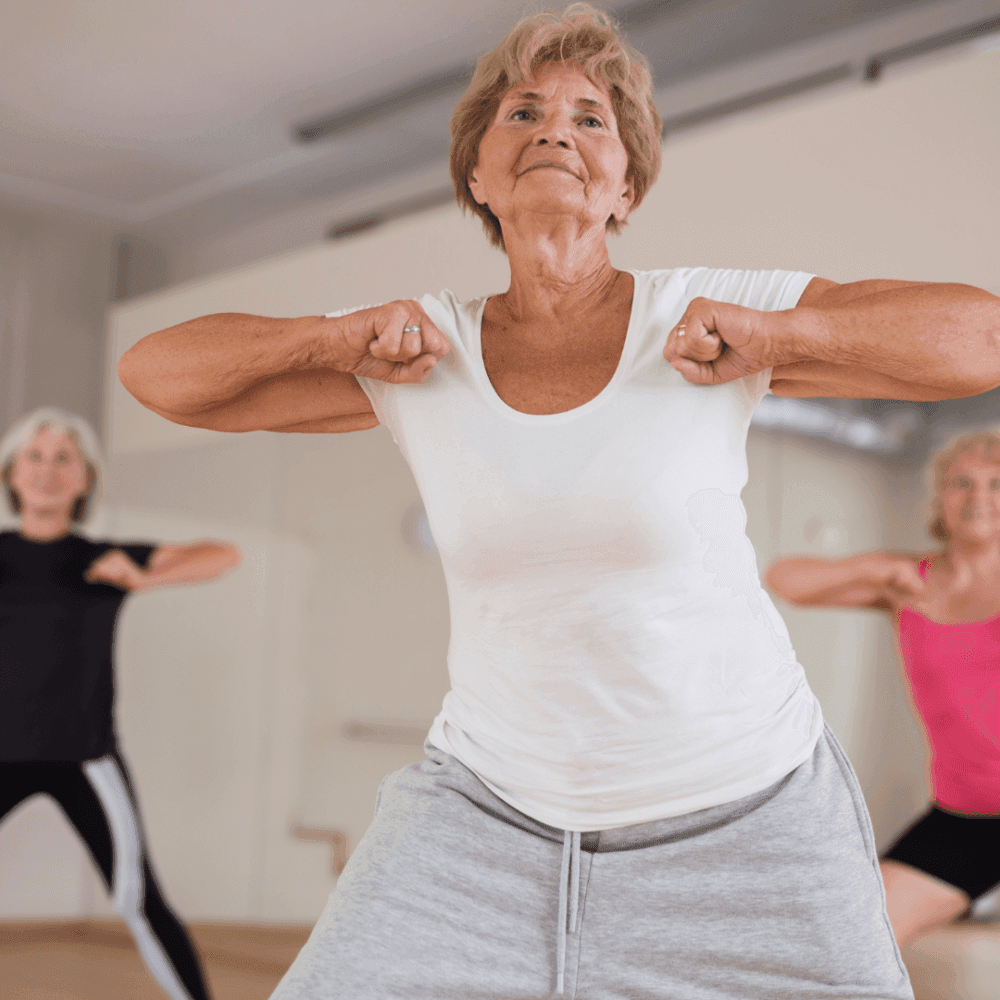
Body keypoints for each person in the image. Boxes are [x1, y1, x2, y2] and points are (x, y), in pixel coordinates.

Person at [117, 5, 1000, 997]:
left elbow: (976, 339)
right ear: (478, 179)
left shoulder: (706, 308)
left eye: (590, 120)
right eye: (522, 114)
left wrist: (779, 338)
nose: (554, 130)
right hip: (482, 817)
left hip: (748, 817)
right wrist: (324, 342)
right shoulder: (417, 350)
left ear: (626, 186)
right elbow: (156, 375)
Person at [0, 406, 241, 1000]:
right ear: (11, 473)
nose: (48, 470)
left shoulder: (102, 558)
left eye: (64, 459)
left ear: (84, 479)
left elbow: (222, 553)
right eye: (35, 456)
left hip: (86, 759)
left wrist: (141, 579)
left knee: (137, 896)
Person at [766, 429, 1000, 949]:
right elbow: (786, 580)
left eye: (996, 484)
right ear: (941, 498)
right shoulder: (907, 584)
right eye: (962, 483)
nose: (979, 497)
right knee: (852, 942)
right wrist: (877, 566)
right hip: (964, 821)